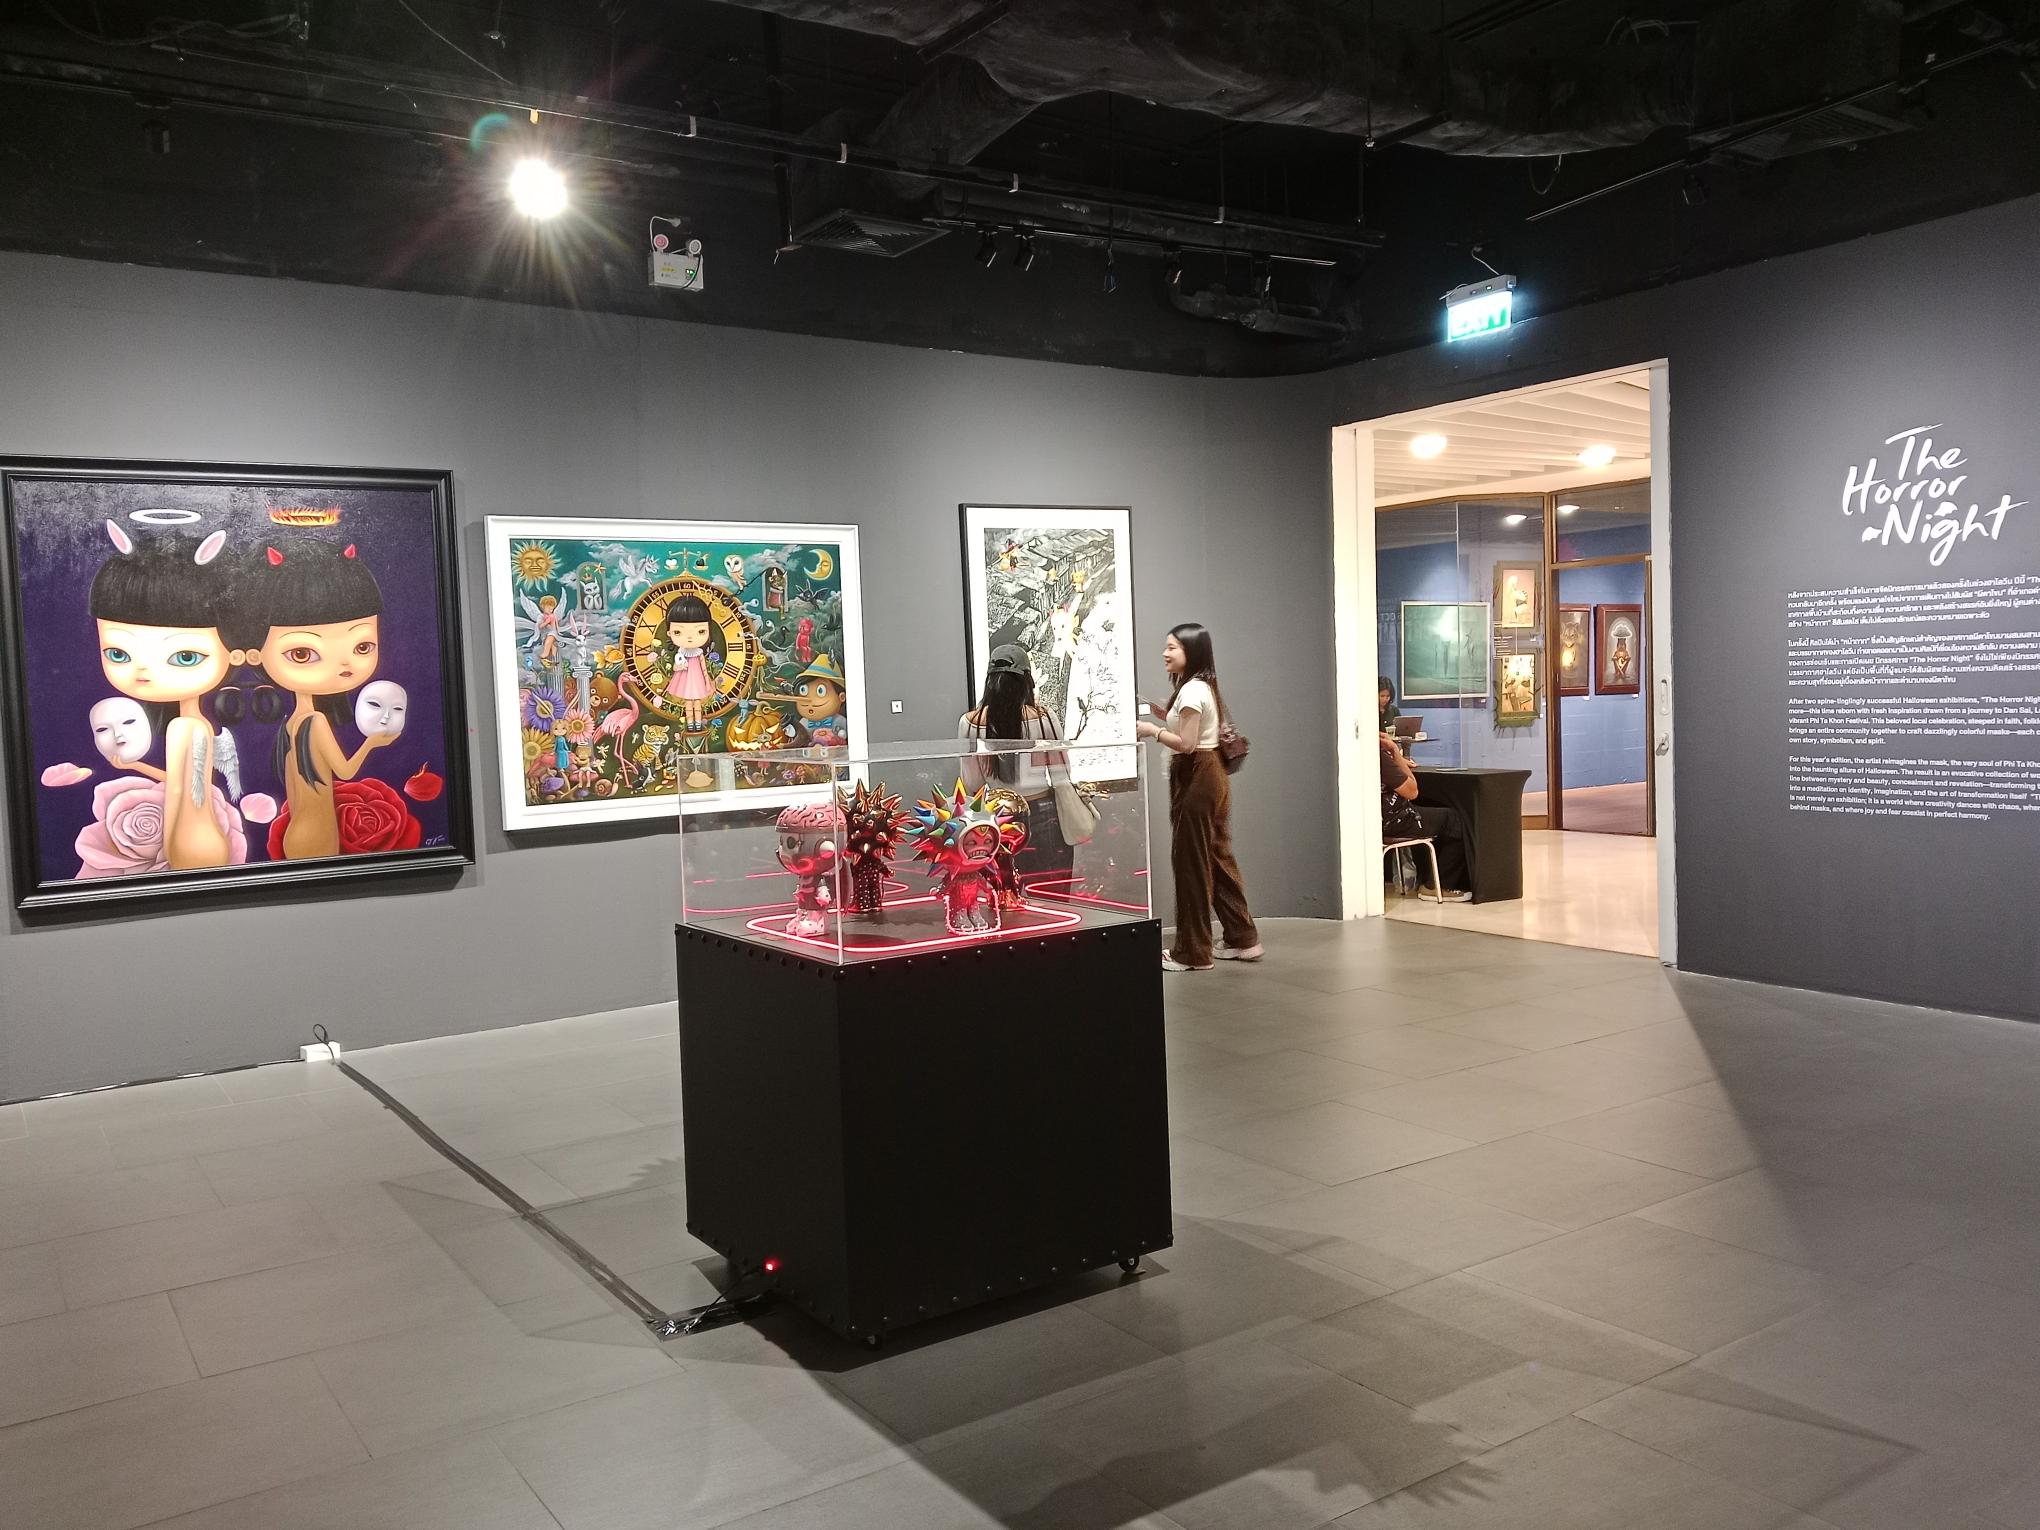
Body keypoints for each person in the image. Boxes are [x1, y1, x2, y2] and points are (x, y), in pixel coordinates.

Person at [1136, 623, 1261, 970]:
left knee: (1191, 865)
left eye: (1173, 647)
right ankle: (1242, 937)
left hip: (1197, 775)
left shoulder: (1191, 690)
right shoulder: (1203, 685)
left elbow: (1187, 744)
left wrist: (1153, 730)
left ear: (1191, 652)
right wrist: (1165, 717)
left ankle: (1192, 952)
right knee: (1217, 857)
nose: (1165, 653)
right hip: (1211, 775)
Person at [959, 644, 1074, 887]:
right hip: (1043, 813)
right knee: (1051, 894)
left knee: (1004, 894)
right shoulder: (1043, 718)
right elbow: (1062, 774)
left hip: (995, 818)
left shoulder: (970, 722)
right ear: (1026, 680)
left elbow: (973, 784)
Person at [1380, 735, 1471, 900]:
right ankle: (1437, 885)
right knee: (1453, 819)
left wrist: (1396, 761)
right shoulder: (1380, 758)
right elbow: (1412, 791)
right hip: (1396, 820)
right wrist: (1395, 752)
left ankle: (1427, 878)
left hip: (1382, 821)